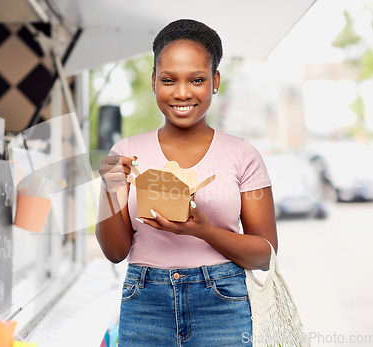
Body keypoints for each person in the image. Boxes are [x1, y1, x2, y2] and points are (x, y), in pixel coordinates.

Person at [95, 19, 278, 347]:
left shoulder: (243, 154)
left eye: (196, 80)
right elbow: (115, 252)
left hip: (222, 303)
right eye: (168, 80)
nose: (182, 92)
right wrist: (109, 191)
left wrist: (203, 230)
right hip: (145, 301)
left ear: (215, 81)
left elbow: (264, 253)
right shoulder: (126, 154)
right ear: (153, 82)